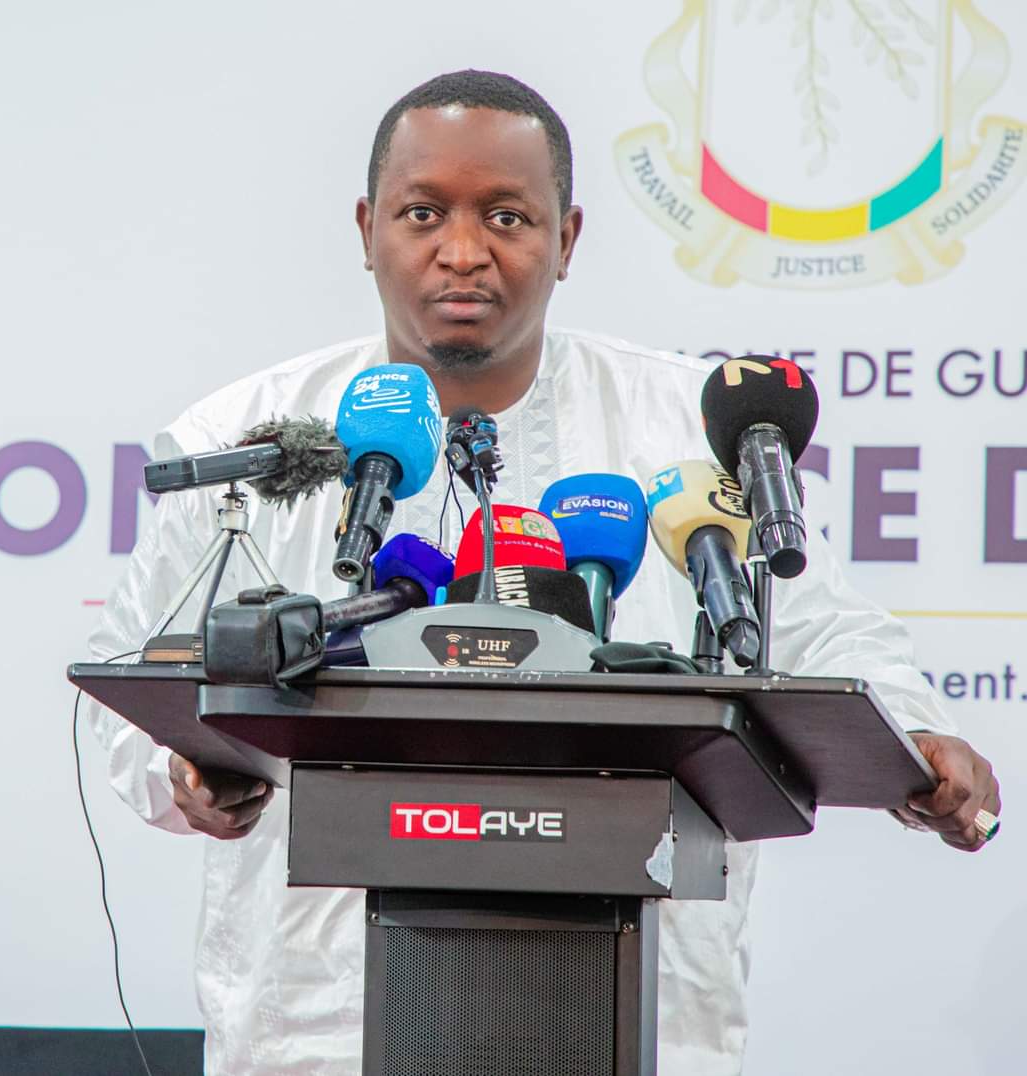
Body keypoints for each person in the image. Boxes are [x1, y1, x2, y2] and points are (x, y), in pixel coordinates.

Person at [86, 70, 1001, 1075]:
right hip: (319, 1023)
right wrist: (184, 773)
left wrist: (921, 735)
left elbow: (832, 635)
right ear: (366, 229)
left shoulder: (683, 425)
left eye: (507, 217)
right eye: (423, 213)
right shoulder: (241, 440)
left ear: (566, 240)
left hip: (638, 1011)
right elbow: (127, 688)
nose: (462, 250)